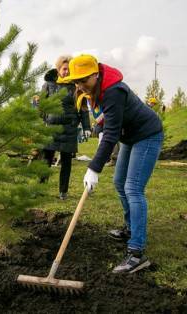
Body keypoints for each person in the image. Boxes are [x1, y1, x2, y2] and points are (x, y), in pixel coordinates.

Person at [62, 54, 163, 273]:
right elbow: (105, 122)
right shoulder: (93, 91)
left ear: (96, 75)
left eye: (84, 80)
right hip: (130, 137)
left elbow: (111, 134)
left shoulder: (113, 91)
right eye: (76, 81)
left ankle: (137, 253)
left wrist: (93, 168)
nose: (80, 85)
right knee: (119, 182)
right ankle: (130, 228)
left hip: (147, 135)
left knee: (133, 188)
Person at [41, 55, 91, 200]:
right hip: (51, 128)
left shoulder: (77, 86)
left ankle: (63, 191)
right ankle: (40, 188)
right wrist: (42, 123)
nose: (67, 72)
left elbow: (83, 108)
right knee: (46, 160)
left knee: (66, 162)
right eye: (64, 69)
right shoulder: (49, 84)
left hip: (69, 128)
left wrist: (87, 126)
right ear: (58, 69)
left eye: (69, 69)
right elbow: (42, 106)